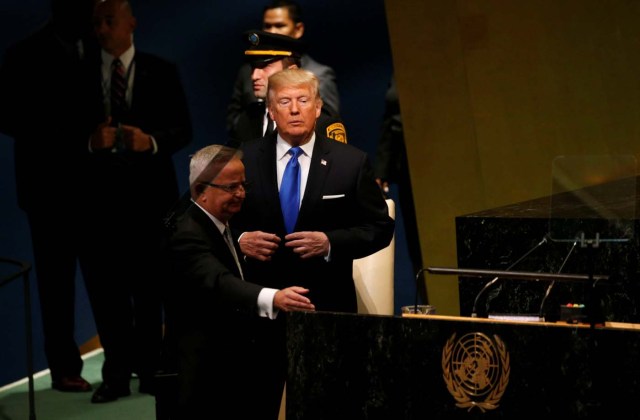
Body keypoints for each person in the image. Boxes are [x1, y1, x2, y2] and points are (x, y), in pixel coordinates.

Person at [233, 68, 395, 418]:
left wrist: (331, 243)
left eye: (303, 101)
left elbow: (380, 227)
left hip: (326, 305)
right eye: (285, 102)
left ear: (318, 107)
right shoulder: (242, 159)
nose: (294, 110)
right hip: (262, 308)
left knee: (329, 405)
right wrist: (240, 239)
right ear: (271, 111)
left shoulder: (350, 162)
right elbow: (206, 221)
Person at [80, 0, 192, 403]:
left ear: (131, 24)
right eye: (96, 22)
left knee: (149, 290)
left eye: (109, 21)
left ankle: (149, 369)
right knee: (106, 293)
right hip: (96, 205)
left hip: (149, 201)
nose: (101, 29)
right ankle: (115, 374)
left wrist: (152, 142)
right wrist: (90, 143)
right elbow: (60, 133)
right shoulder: (79, 74)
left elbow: (183, 128)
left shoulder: (160, 70)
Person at [159, 144, 315, 419]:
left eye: (243, 184)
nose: (241, 194)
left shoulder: (219, 222)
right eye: (230, 187)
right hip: (202, 375)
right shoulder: (187, 233)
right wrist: (274, 298)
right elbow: (219, 282)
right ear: (200, 191)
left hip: (228, 366)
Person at [0, 0, 98, 393]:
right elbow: (6, 115)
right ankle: (63, 368)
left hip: (99, 188)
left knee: (110, 280)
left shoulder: (98, 45)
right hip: (47, 192)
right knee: (55, 287)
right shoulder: (23, 53)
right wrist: (67, 135)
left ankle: (125, 363)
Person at [226, 0, 341, 135]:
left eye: (279, 25)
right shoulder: (247, 74)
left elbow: (326, 124)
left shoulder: (319, 74)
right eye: (267, 26)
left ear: (298, 29)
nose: (272, 31)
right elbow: (235, 123)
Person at [227, 29, 347, 146]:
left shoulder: (321, 122)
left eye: (265, 66)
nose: (254, 76)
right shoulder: (248, 118)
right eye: (253, 67)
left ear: (292, 71)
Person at [374, 76, 426, 301]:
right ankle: (427, 304)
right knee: (418, 246)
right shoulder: (405, 64)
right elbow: (393, 120)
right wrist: (382, 171)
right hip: (408, 167)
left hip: (441, 164)